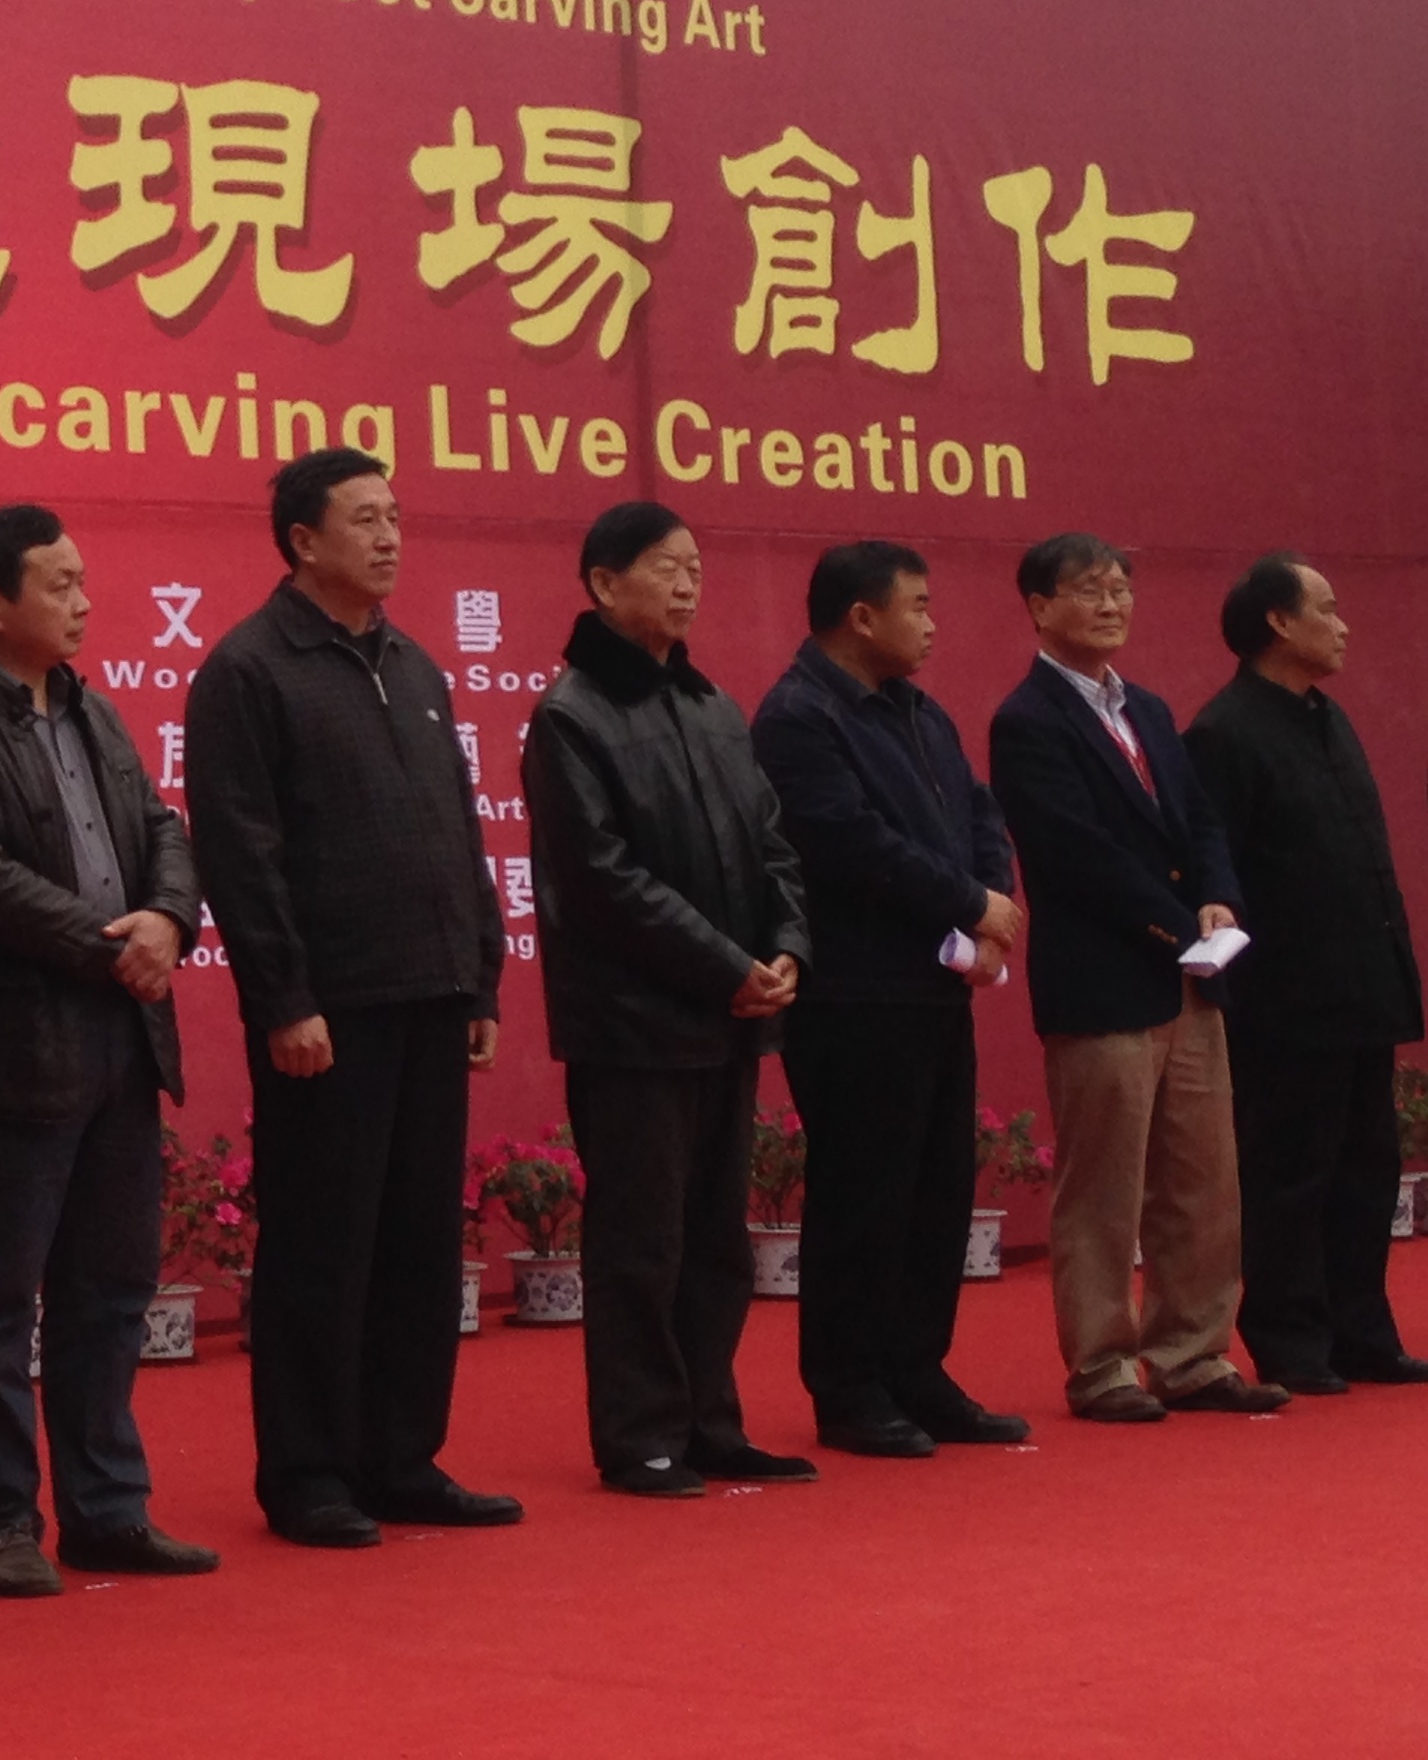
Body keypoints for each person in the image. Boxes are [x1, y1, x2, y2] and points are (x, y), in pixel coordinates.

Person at [0, 504, 216, 1598]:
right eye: (59, 584)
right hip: (9, 1051)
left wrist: (167, 920)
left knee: (111, 1291)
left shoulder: (92, 708)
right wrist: (115, 948)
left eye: (82, 581)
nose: (82, 601)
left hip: (121, 1039)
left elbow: (161, 829)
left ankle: (107, 1510)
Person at [185, 449, 522, 1546]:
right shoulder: (249, 670)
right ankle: (308, 1473)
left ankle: (401, 1457)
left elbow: (460, 828)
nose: (388, 537)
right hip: (329, 1011)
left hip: (432, 990)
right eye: (364, 519)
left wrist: (479, 971)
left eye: (395, 517)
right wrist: (284, 999)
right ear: (302, 541)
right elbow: (241, 853)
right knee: (322, 1246)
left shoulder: (414, 666)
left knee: (419, 1241)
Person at [524, 501, 815, 1498]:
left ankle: (709, 1423)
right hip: (634, 1023)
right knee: (641, 1241)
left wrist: (785, 949)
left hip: (728, 1015)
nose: (688, 582)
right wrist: (726, 966)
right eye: (664, 566)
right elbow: (603, 882)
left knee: (716, 1239)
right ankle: (641, 1434)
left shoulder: (713, 704)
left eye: (695, 564)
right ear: (604, 585)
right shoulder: (570, 716)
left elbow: (774, 846)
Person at [987, 532, 1280, 1420]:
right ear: (1040, 607)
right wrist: (1175, 925)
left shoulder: (1147, 708)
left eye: (1121, 588)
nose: (1112, 603)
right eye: (1090, 589)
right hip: (1106, 982)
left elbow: (1201, 822)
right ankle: (1103, 1364)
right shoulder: (1026, 720)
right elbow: (1074, 854)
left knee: (1203, 1178)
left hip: (1191, 978)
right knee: (1105, 1187)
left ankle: (1191, 1353)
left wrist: (1219, 900)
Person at [749, 543, 1032, 1458]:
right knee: (864, 1192)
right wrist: (968, 902)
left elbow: (979, 816)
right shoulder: (799, 717)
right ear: (861, 617)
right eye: (917, 605)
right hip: (854, 994)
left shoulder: (920, 710)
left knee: (935, 1191)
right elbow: (847, 840)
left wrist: (991, 905)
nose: (932, 622)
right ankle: (849, 1387)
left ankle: (917, 1370)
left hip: (934, 989)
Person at [1185, 553, 1428, 1393]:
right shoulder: (1224, 732)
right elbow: (1213, 868)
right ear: (1278, 623)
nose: (1343, 625)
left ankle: (1361, 1331)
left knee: (1367, 1172)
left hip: (1362, 986)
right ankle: (1289, 1337)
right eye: (1325, 609)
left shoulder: (1330, 718)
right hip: (1284, 1002)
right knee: (1290, 1175)